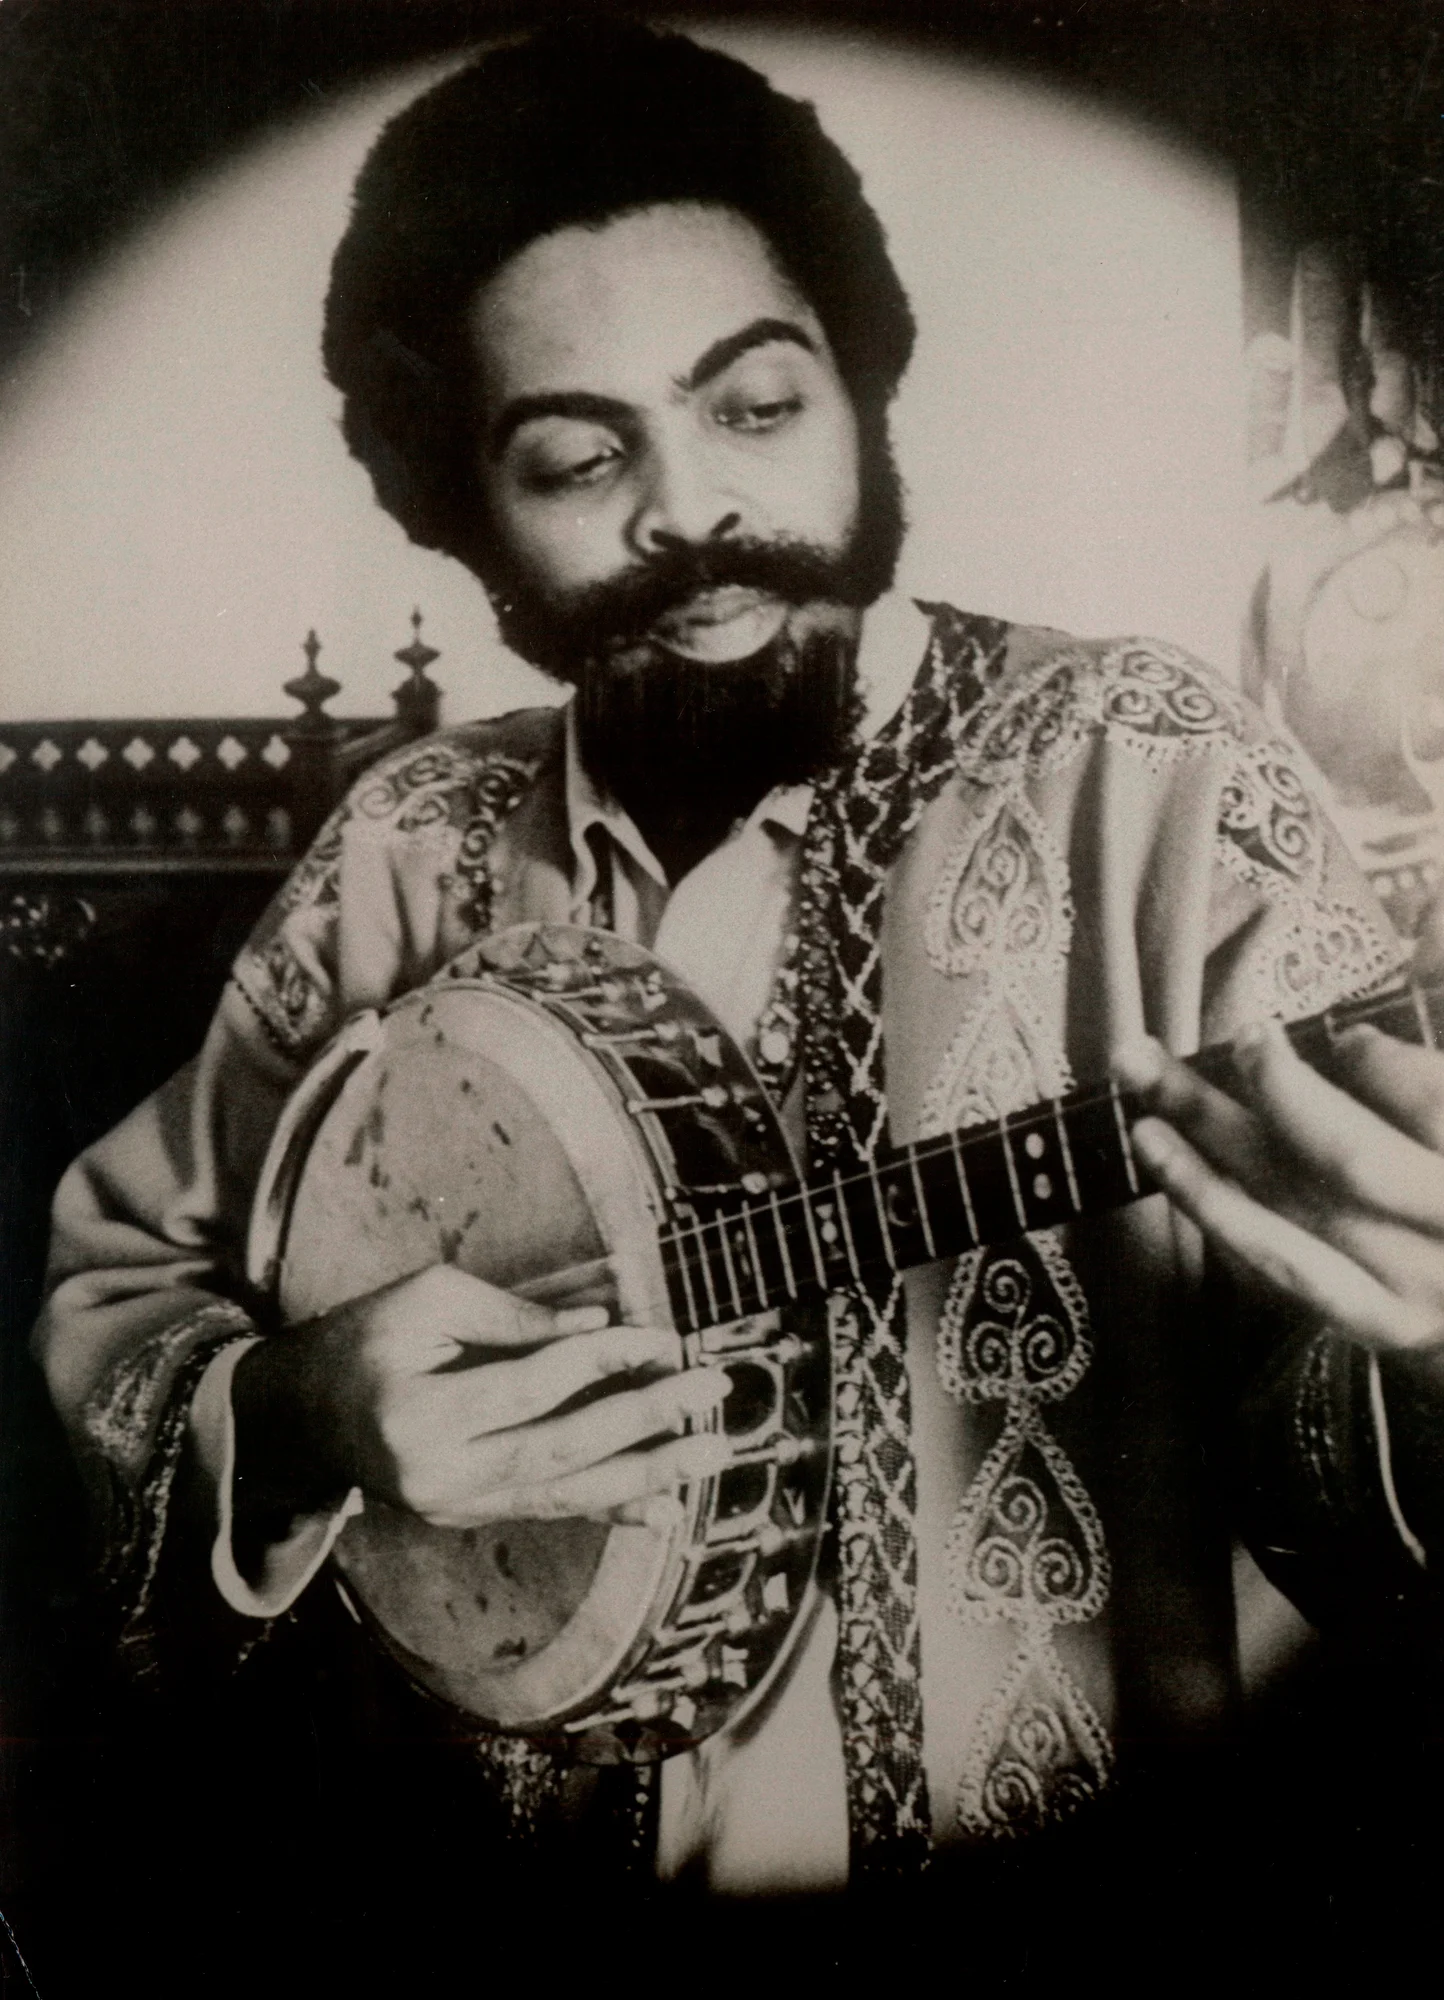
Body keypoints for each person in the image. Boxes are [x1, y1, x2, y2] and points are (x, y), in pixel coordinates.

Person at [32, 21, 1444, 1912]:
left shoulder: (1152, 773)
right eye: (576, 452)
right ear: (460, 503)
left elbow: (1360, 1486)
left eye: (756, 407)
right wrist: (291, 1414)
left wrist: (1416, 1335)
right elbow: (123, 1281)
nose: (688, 511)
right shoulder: (408, 844)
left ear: (861, 390)